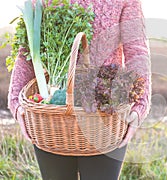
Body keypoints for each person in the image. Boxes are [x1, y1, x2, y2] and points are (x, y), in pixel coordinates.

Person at [7, 0, 151, 179]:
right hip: (53, 114)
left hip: (104, 114)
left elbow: (136, 50)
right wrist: (16, 102)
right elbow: (27, 51)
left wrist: (140, 104)